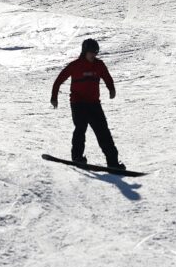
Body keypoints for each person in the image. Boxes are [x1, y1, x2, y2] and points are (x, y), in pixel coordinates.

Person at [51, 38, 123, 172]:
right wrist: (54, 97)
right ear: (84, 51)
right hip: (78, 104)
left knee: (103, 132)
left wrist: (111, 89)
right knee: (80, 129)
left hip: (94, 104)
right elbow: (59, 80)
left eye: (96, 52)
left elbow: (107, 77)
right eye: (91, 52)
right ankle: (77, 158)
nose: (94, 55)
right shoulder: (75, 65)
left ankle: (113, 162)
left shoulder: (99, 65)